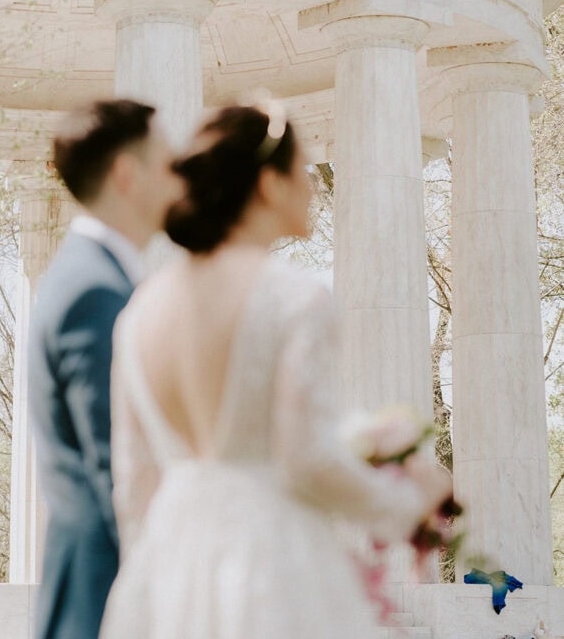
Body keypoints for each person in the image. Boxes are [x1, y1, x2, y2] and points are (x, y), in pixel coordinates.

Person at [102, 102, 452, 639]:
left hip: (167, 569)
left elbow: (132, 482)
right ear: (268, 183)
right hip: (272, 564)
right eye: (301, 171)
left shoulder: (138, 312)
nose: (311, 186)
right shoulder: (293, 298)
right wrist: (412, 502)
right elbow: (306, 459)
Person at [28, 99, 182, 639]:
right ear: (126, 174)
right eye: (168, 161)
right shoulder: (94, 291)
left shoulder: (94, 278)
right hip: (105, 600)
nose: (179, 178)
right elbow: (115, 467)